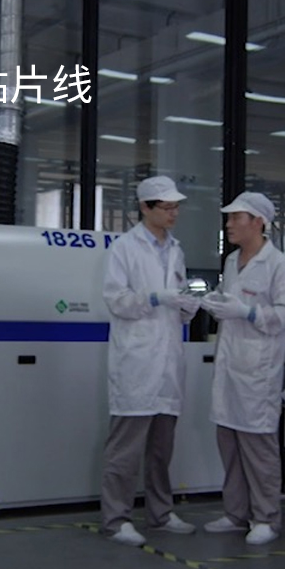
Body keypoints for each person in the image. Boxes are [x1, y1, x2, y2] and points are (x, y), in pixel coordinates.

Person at [98, 175, 203, 547]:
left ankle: (160, 513)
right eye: (167, 207)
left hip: (168, 364)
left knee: (161, 450)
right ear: (145, 207)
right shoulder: (124, 248)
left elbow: (178, 300)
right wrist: (156, 297)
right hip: (137, 364)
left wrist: (188, 305)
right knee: (125, 451)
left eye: (176, 207)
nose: (174, 213)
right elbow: (116, 300)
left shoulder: (176, 250)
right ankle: (116, 520)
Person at [200, 191, 285, 545]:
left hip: (257, 371)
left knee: (258, 449)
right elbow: (231, 300)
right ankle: (236, 513)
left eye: (236, 218)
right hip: (230, 366)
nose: (229, 224)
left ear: (258, 221)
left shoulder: (277, 264)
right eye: (228, 218)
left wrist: (248, 313)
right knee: (228, 443)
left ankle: (266, 518)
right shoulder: (232, 261)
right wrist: (217, 303)